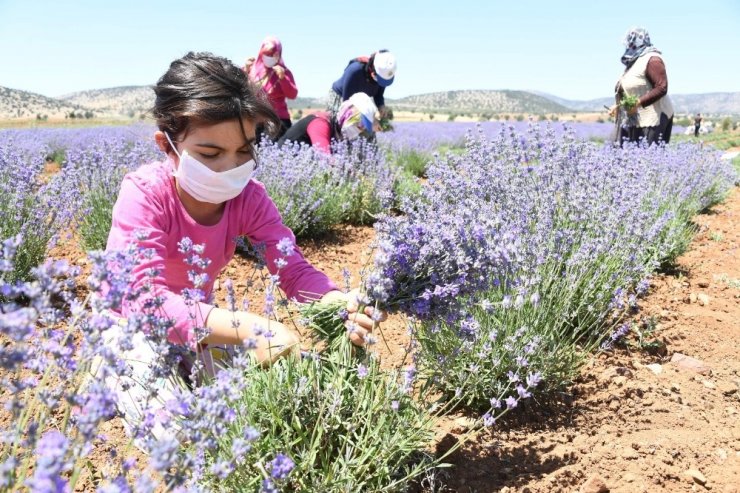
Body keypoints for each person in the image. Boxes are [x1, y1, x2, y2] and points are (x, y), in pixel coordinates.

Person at [99, 52, 385, 430]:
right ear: (167, 144)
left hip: (202, 324)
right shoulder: (145, 195)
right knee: (180, 428)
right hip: (129, 330)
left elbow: (293, 271)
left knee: (261, 406)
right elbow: (142, 300)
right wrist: (252, 328)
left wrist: (336, 302)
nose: (229, 168)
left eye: (244, 150)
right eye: (210, 153)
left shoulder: (249, 197)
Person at [608, 27, 674, 146]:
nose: (628, 44)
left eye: (631, 40)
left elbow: (661, 87)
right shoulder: (634, 62)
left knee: (648, 159)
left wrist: (638, 103)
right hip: (635, 119)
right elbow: (629, 90)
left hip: (653, 119)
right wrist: (618, 106)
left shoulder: (652, 59)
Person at [278, 92, 380, 154]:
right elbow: (324, 158)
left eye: (362, 128)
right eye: (358, 125)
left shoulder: (338, 131)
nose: (358, 131)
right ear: (347, 115)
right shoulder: (320, 124)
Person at [244, 36, 298, 139]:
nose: (270, 57)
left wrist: (283, 78)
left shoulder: (284, 72)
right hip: (255, 119)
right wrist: (245, 70)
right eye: (267, 54)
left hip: (277, 120)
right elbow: (240, 89)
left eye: (273, 54)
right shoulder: (251, 70)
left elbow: (292, 94)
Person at [329, 49, 396, 118]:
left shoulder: (383, 76)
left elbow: (378, 95)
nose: (379, 82)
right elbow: (347, 106)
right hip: (341, 97)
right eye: (378, 79)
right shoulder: (354, 71)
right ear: (373, 71)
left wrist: (381, 106)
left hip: (358, 103)